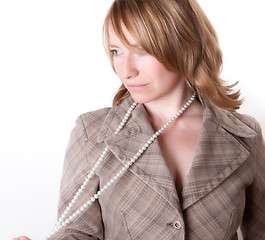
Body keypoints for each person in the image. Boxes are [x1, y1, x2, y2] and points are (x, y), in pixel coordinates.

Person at [15, 0, 265, 239]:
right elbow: (77, 233)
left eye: (141, 51)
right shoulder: (93, 133)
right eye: (117, 51)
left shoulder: (244, 135)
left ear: (183, 45)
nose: (126, 70)